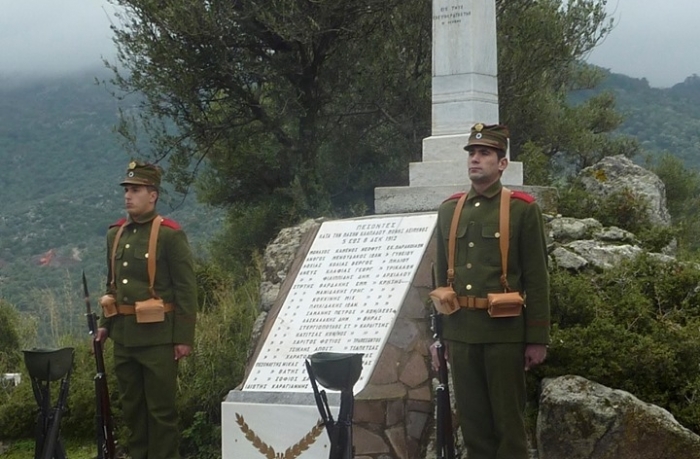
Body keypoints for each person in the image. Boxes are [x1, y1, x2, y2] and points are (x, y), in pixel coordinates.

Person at [431, 123, 550, 459]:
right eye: (472, 153)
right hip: (461, 333)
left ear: (502, 164)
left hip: (504, 332)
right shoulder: (449, 210)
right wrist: (439, 338)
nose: (475, 160)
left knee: (508, 427)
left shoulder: (522, 209)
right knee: (474, 427)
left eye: (485, 153)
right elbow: (442, 279)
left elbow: (537, 277)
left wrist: (537, 337)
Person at [95, 161, 197, 459]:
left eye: (135, 190)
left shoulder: (169, 235)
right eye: (127, 190)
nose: (128, 196)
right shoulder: (115, 235)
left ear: (152, 195)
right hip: (124, 338)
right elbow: (112, 285)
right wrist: (104, 325)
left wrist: (183, 338)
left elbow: (186, 289)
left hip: (157, 338)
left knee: (161, 412)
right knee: (132, 409)